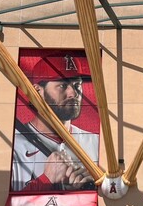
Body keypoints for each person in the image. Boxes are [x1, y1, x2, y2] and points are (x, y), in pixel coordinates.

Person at [11, 54, 99, 191]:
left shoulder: (96, 143)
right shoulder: (13, 146)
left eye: (77, 85)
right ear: (37, 91)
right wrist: (46, 179)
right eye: (63, 85)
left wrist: (92, 189)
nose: (73, 93)